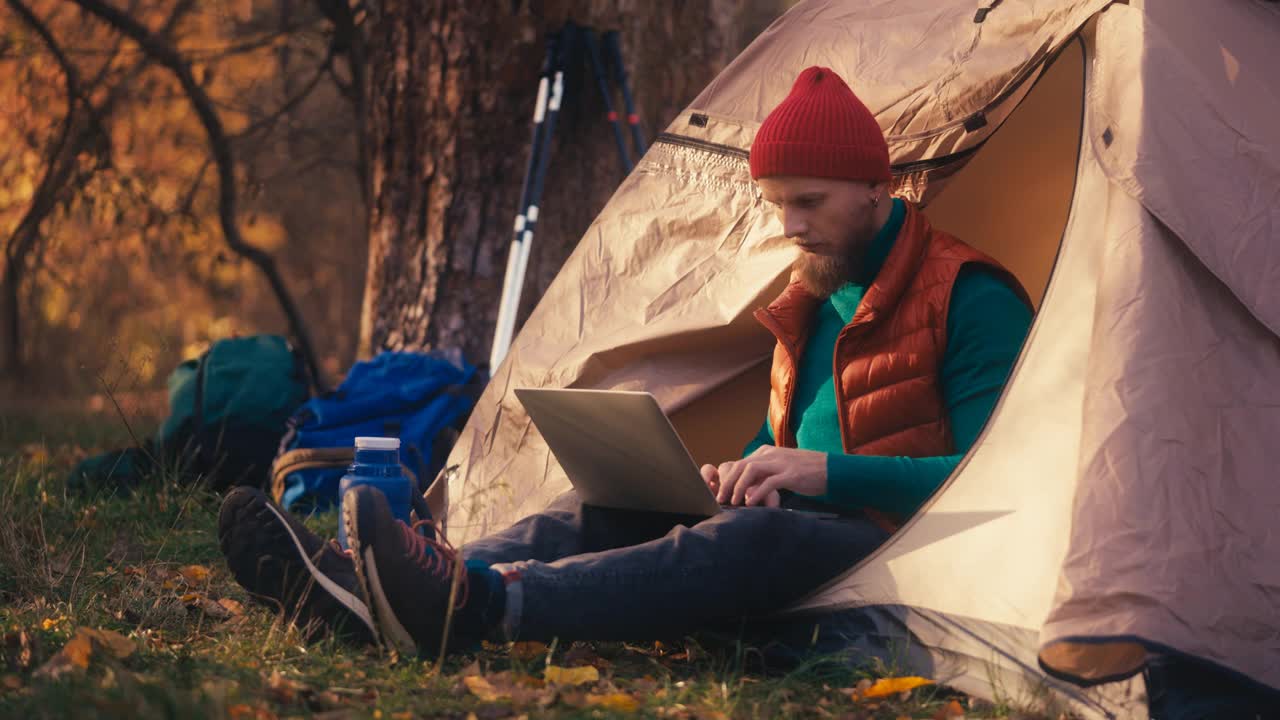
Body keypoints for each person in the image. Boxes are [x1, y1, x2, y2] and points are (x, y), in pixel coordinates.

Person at [218, 66, 1033, 657]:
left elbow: (996, 485)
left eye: (807, 203)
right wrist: (738, 468)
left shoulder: (970, 298)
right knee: (606, 508)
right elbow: (783, 441)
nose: (788, 225)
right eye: (777, 203)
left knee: (742, 540)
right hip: (804, 520)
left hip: (896, 547)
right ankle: (378, 590)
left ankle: (477, 604)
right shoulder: (816, 293)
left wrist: (823, 475)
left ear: (874, 187)